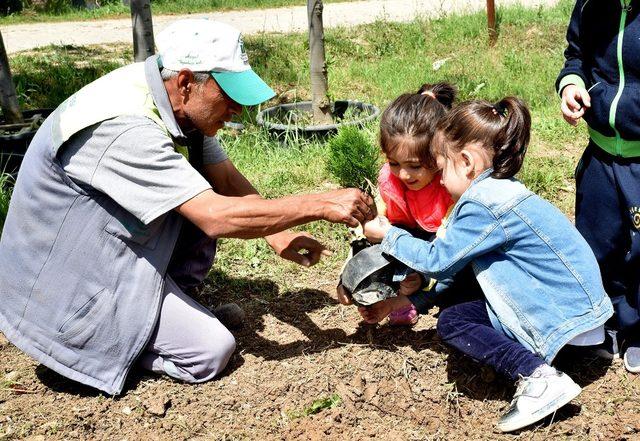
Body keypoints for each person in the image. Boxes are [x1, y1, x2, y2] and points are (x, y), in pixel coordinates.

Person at [0, 19, 374, 395]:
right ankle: (102, 345)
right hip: (61, 291)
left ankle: (162, 307)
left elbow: (225, 180)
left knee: (197, 188)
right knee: (211, 351)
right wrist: (320, 203)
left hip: (95, 248)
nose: (237, 111)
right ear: (185, 82)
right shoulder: (126, 129)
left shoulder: (171, 100)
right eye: (228, 97)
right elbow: (215, 216)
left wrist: (276, 233)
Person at [360, 97, 613, 432]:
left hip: (563, 320)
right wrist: (404, 302)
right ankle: (571, 355)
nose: (441, 180)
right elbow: (456, 270)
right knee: (465, 299)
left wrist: (389, 235)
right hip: (581, 321)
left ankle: (539, 378)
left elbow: (437, 262)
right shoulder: (500, 192)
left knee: (454, 323)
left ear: (465, 162)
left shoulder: (482, 204)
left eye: (442, 167)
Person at [556, 0, 640, 373]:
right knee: (596, 243)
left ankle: (637, 331)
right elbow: (576, 56)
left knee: (639, 251)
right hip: (600, 155)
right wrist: (571, 84)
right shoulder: (591, 5)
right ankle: (606, 321)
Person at [337, 83, 455, 326]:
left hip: (435, 242)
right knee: (369, 249)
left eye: (414, 166)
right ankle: (366, 292)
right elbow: (375, 223)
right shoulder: (390, 180)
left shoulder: (448, 187)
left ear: (439, 156)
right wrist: (350, 269)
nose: (403, 174)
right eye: (394, 163)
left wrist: (422, 277)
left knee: (438, 274)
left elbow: (445, 247)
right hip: (400, 232)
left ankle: (410, 297)